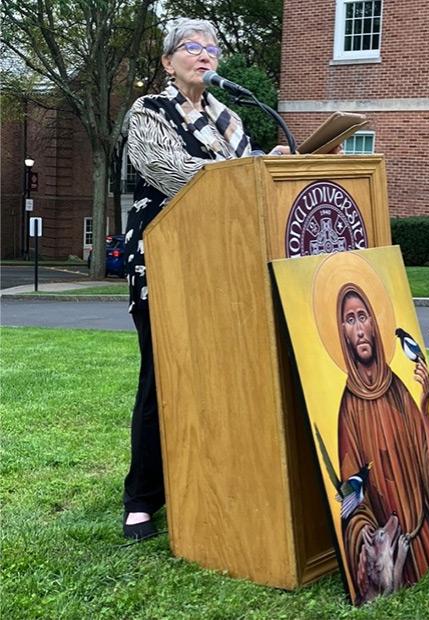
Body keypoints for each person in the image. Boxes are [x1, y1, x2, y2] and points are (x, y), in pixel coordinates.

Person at [122, 17, 290, 539]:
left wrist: (271, 164)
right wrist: (249, 171)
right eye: (191, 48)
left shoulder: (230, 119)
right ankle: (142, 497)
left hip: (226, 265)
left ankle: (215, 475)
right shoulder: (148, 110)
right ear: (168, 62)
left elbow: (247, 181)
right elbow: (167, 171)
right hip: (166, 262)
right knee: (163, 376)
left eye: (212, 48)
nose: (204, 55)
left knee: (224, 377)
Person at [336, 284, 429, 603]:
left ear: (375, 327)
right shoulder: (347, 409)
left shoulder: (399, 390)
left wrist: (424, 405)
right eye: (349, 320)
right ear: (342, 335)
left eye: (363, 316)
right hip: (388, 543)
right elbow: (350, 496)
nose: (359, 329)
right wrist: (366, 533)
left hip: (423, 533)